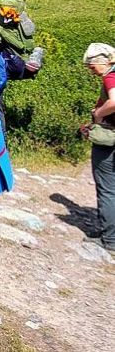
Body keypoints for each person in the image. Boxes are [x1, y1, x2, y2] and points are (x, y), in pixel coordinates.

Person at [83, 43, 115, 254]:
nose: (91, 70)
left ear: (104, 61)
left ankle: (110, 239)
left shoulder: (110, 76)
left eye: (92, 66)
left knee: (107, 188)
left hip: (110, 138)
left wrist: (98, 114)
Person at [0, 0, 44, 78]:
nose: (5, 14)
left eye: (8, 11)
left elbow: (27, 47)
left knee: (17, 67)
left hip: (16, 53)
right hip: (1, 46)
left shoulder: (24, 24)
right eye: (2, 9)